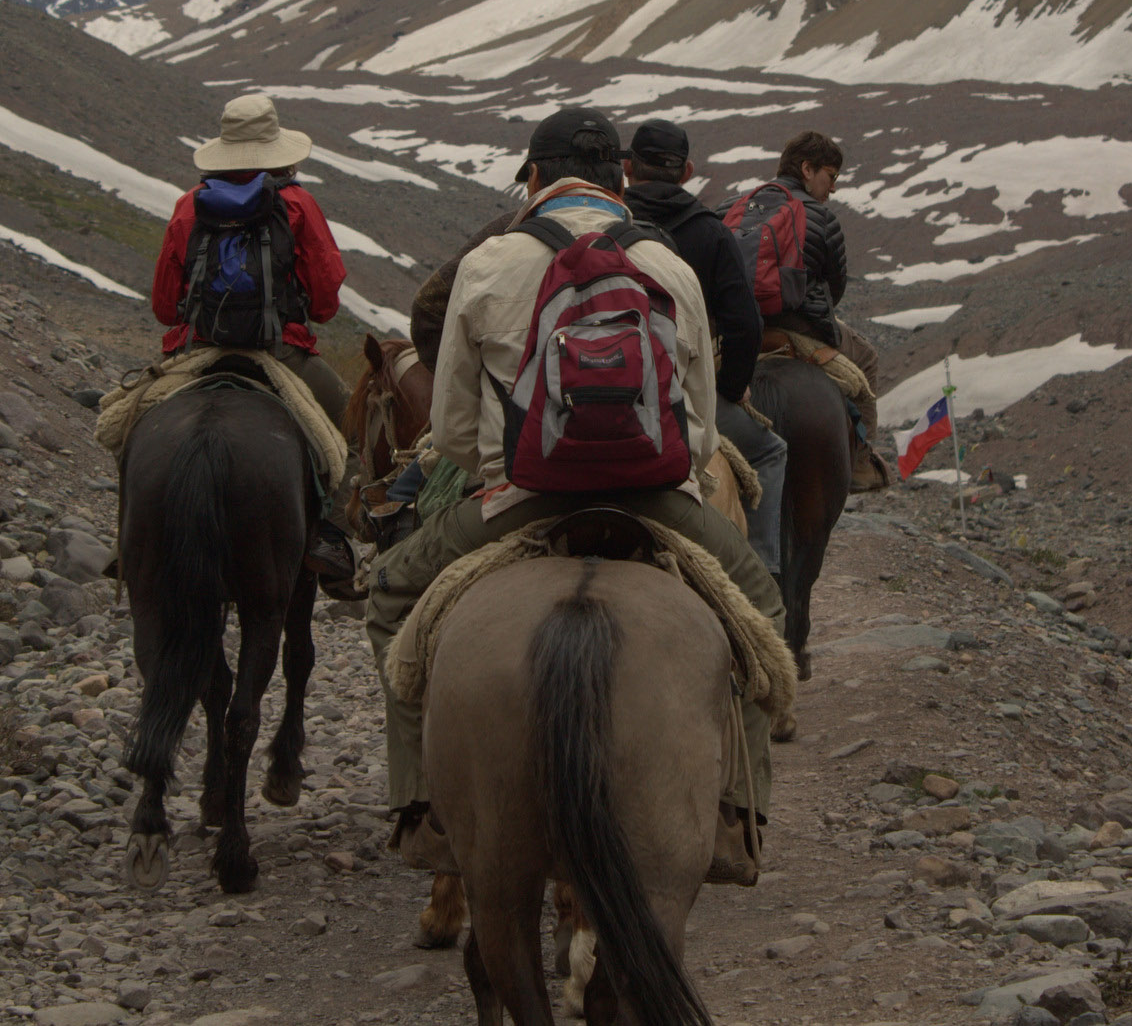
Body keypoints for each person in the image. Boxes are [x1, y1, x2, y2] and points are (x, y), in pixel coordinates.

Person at [366, 107, 784, 884]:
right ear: (620, 178)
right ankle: (736, 815)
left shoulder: (488, 264)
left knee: (390, 599)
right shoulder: (670, 266)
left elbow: (455, 430)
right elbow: (696, 432)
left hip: (524, 497)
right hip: (654, 497)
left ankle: (423, 811)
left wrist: (507, 464)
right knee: (761, 611)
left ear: (533, 176)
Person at [150, 92, 358, 583]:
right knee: (348, 422)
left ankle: (134, 540)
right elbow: (325, 298)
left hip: (199, 350)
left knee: (129, 424)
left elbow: (164, 305)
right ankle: (328, 537)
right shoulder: (298, 204)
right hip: (280, 352)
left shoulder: (189, 205)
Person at [620, 118, 791, 582]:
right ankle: (760, 570)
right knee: (770, 452)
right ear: (688, 170)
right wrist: (731, 389)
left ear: (628, 167)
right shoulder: (710, 232)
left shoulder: (608, 220)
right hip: (683, 393)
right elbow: (744, 323)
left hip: (598, 384)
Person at [748, 129, 889, 484]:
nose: (834, 188)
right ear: (807, 169)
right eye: (831, 176)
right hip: (801, 330)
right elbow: (834, 289)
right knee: (867, 357)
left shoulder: (732, 207)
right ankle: (859, 463)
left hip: (743, 331)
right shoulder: (821, 216)